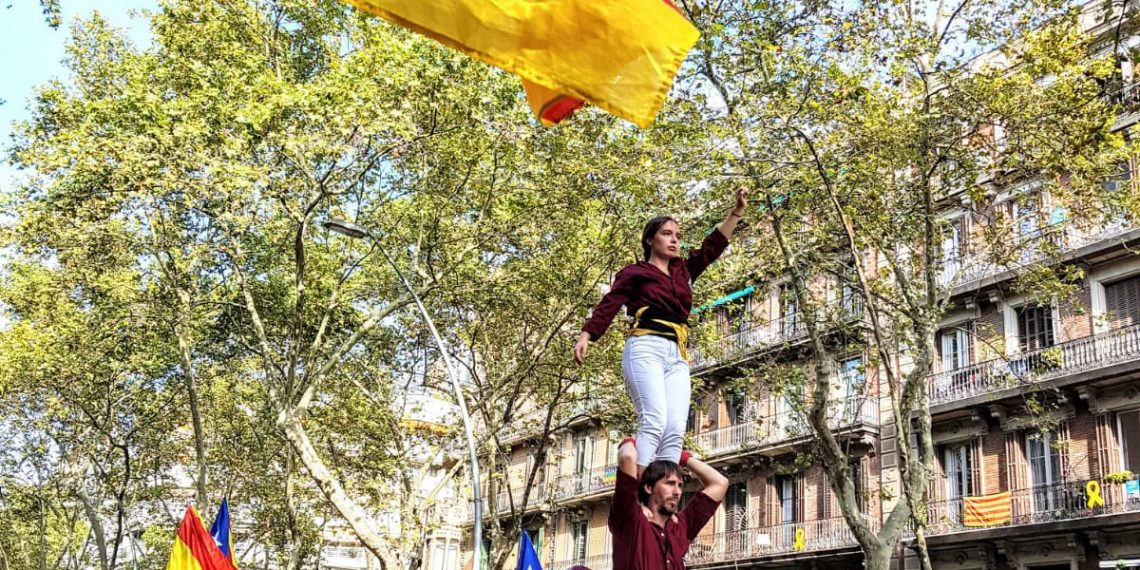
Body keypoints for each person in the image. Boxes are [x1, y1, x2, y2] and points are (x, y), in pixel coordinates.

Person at [574, 188, 748, 473]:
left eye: (677, 235)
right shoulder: (635, 273)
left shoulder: (683, 271)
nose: (674, 240)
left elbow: (712, 247)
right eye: (667, 234)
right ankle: (636, 490)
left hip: (677, 353)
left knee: (675, 430)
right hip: (646, 346)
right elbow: (610, 302)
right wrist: (587, 334)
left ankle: (661, 494)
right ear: (650, 239)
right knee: (653, 420)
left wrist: (737, 211)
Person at [608, 437, 727, 570]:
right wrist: (633, 442)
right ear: (649, 488)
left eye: (680, 485)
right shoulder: (631, 519)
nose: (677, 492)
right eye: (670, 483)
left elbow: (720, 483)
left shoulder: (682, 526)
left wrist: (682, 457)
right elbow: (627, 457)